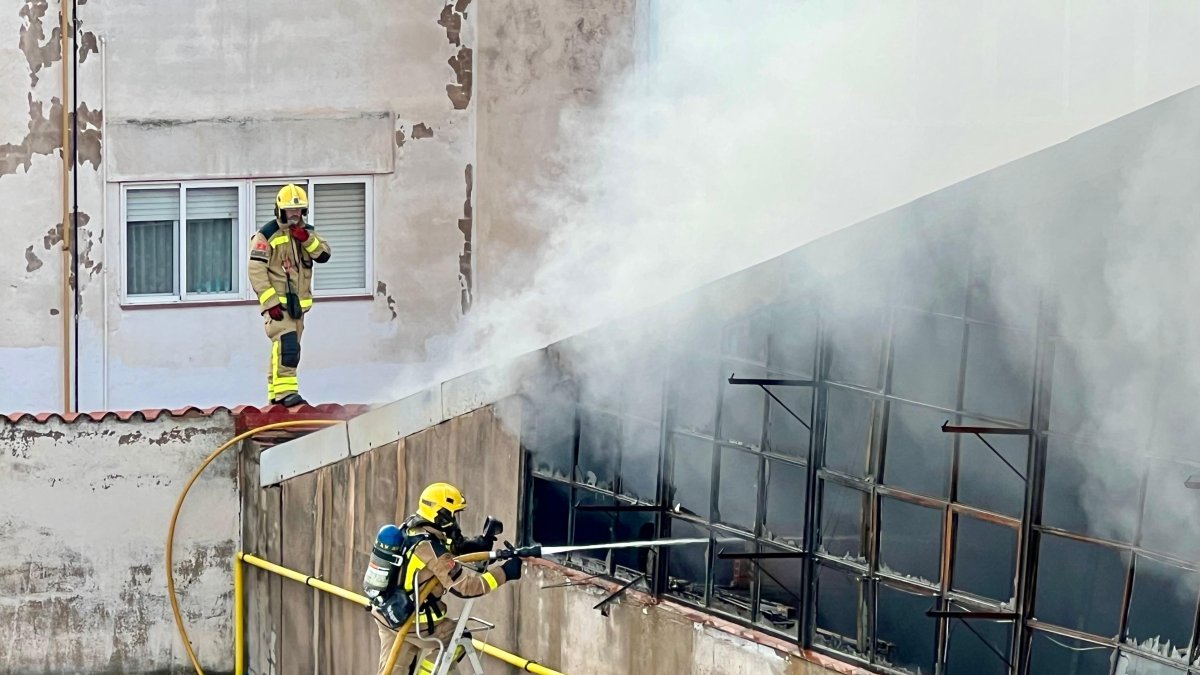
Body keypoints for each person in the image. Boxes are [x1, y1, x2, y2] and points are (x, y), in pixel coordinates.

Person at [368, 482, 523, 675]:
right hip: (415, 622)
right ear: (441, 514)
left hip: (387, 613)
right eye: (453, 514)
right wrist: (505, 572)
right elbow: (466, 587)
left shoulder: (412, 527)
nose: (455, 520)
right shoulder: (431, 549)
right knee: (459, 637)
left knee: (393, 670)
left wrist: (477, 544)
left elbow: (445, 548)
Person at [247, 184, 330, 406]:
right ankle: (286, 394)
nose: (295, 213)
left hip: (297, 307)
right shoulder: (266, 235)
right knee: (288, 346)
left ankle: (276, 394)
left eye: (299, 209)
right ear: (280, 210)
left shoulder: (306, 233)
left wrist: (306, 239)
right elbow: (256, 270)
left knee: (284, 349)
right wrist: (270, 302)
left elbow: (324, 255)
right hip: (278, 306)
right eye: (291, 209)